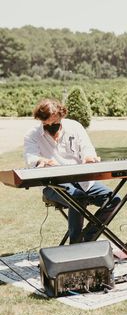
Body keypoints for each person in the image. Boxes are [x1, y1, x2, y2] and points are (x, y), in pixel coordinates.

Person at [24, 98, 121, 244]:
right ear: (40, 121)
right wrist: (40, 161)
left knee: (114, 200)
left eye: (55, 124)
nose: (51, 128)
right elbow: (31, 157)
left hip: (83, 181)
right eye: (46, 125)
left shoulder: (74, 127)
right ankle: (75, 245)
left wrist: (89, 157)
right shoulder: (32, 135)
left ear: (62, 116)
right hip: (52, 184)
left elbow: (87, 148)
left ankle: (88, 237)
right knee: (78, 198)